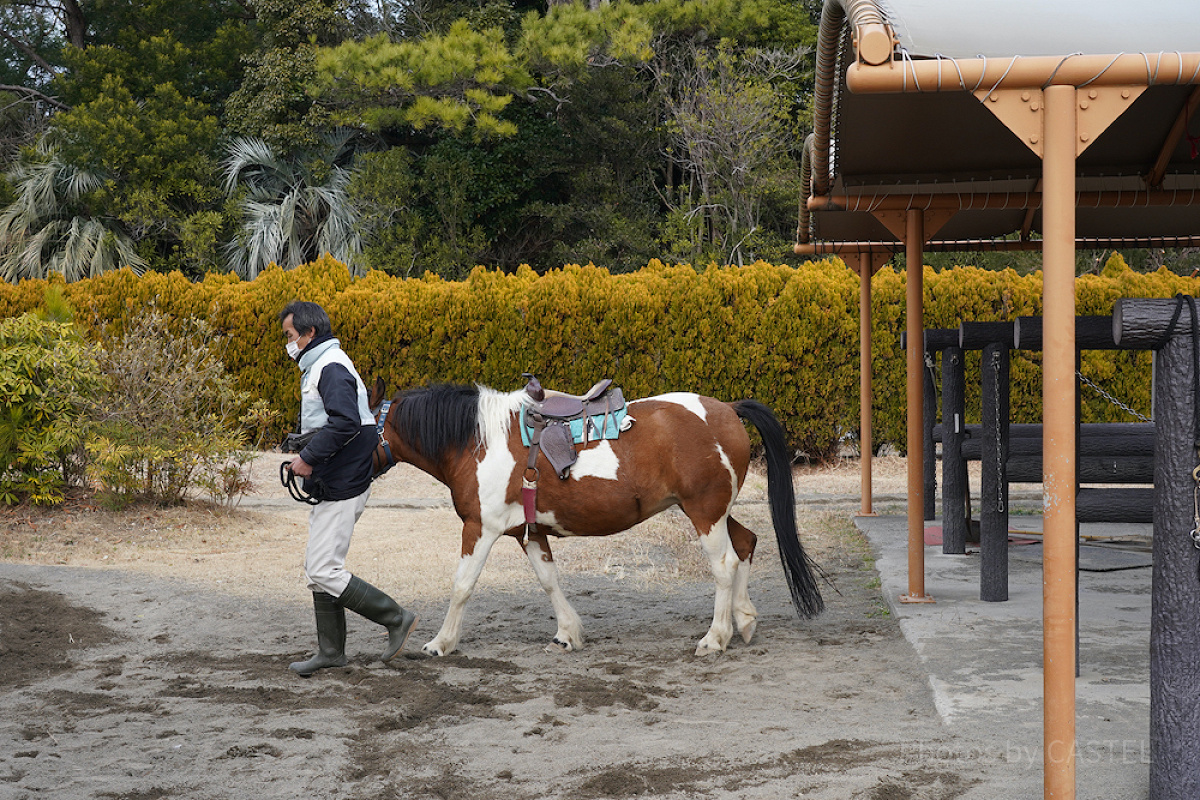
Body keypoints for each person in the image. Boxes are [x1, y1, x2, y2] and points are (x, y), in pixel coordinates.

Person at [278, 300, 417, 676]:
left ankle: (396, 618)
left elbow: (346, 425)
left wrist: (307, 459)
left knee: (323, 568)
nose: (288, 344)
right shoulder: (322, 365)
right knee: (317, 568)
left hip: (343, 481)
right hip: (334, 480)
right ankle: (331, 651)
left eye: (290, 336)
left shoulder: (330, 367)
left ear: (310, 334)